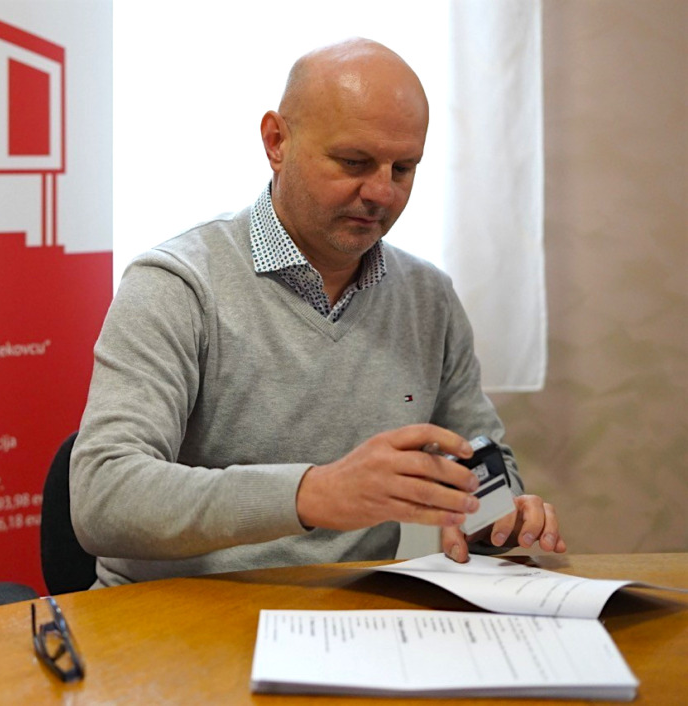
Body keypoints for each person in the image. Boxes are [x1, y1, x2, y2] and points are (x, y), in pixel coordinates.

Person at [70, 38, 565, 588]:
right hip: (175, 618)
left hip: (355, 616)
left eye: (403, 168)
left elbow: (480, 460)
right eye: (353, 162)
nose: (382, 192)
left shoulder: (429, 298)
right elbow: (103, 496)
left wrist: (495, 516)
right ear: (276, 141)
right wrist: (313, 493)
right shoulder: (177, 283)